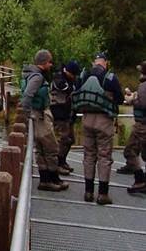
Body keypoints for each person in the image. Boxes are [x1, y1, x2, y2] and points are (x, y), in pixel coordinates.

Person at [72, 52, 124, 204]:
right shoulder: (110, 78)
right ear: (105, 63)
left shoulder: (84, 75)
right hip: (104, 121)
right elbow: (119, 99)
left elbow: (77, 91)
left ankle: (88, 192)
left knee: (88, 155)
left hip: (87, 119)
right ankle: (102, 194)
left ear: (94, 63)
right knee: (104, 156)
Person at [20, 49, 68, 192]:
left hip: (36, 115)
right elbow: (28, 94)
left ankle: (46, 179)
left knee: (40, 149)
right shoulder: (37, 77)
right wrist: (28, 113)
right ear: (43, 62)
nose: (51, 65)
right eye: (49, 62)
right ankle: (52, 178)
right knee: (50, 147)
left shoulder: (30, 73)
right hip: (39, 116)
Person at [50, 60, 81, 175]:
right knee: (63, 139)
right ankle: (57, 163)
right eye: (73, 74)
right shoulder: (59, 78)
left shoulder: (71, 80)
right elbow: (66, 89)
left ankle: (62, 161)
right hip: (59, 113)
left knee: (70, 139)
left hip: (69, 113)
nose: (74, 77)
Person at [123, 61, 146, 194]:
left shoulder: (143, 86)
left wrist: (132, 100)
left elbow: (142, 104)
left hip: (142, 124)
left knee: (129, 151)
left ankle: (139, 179)